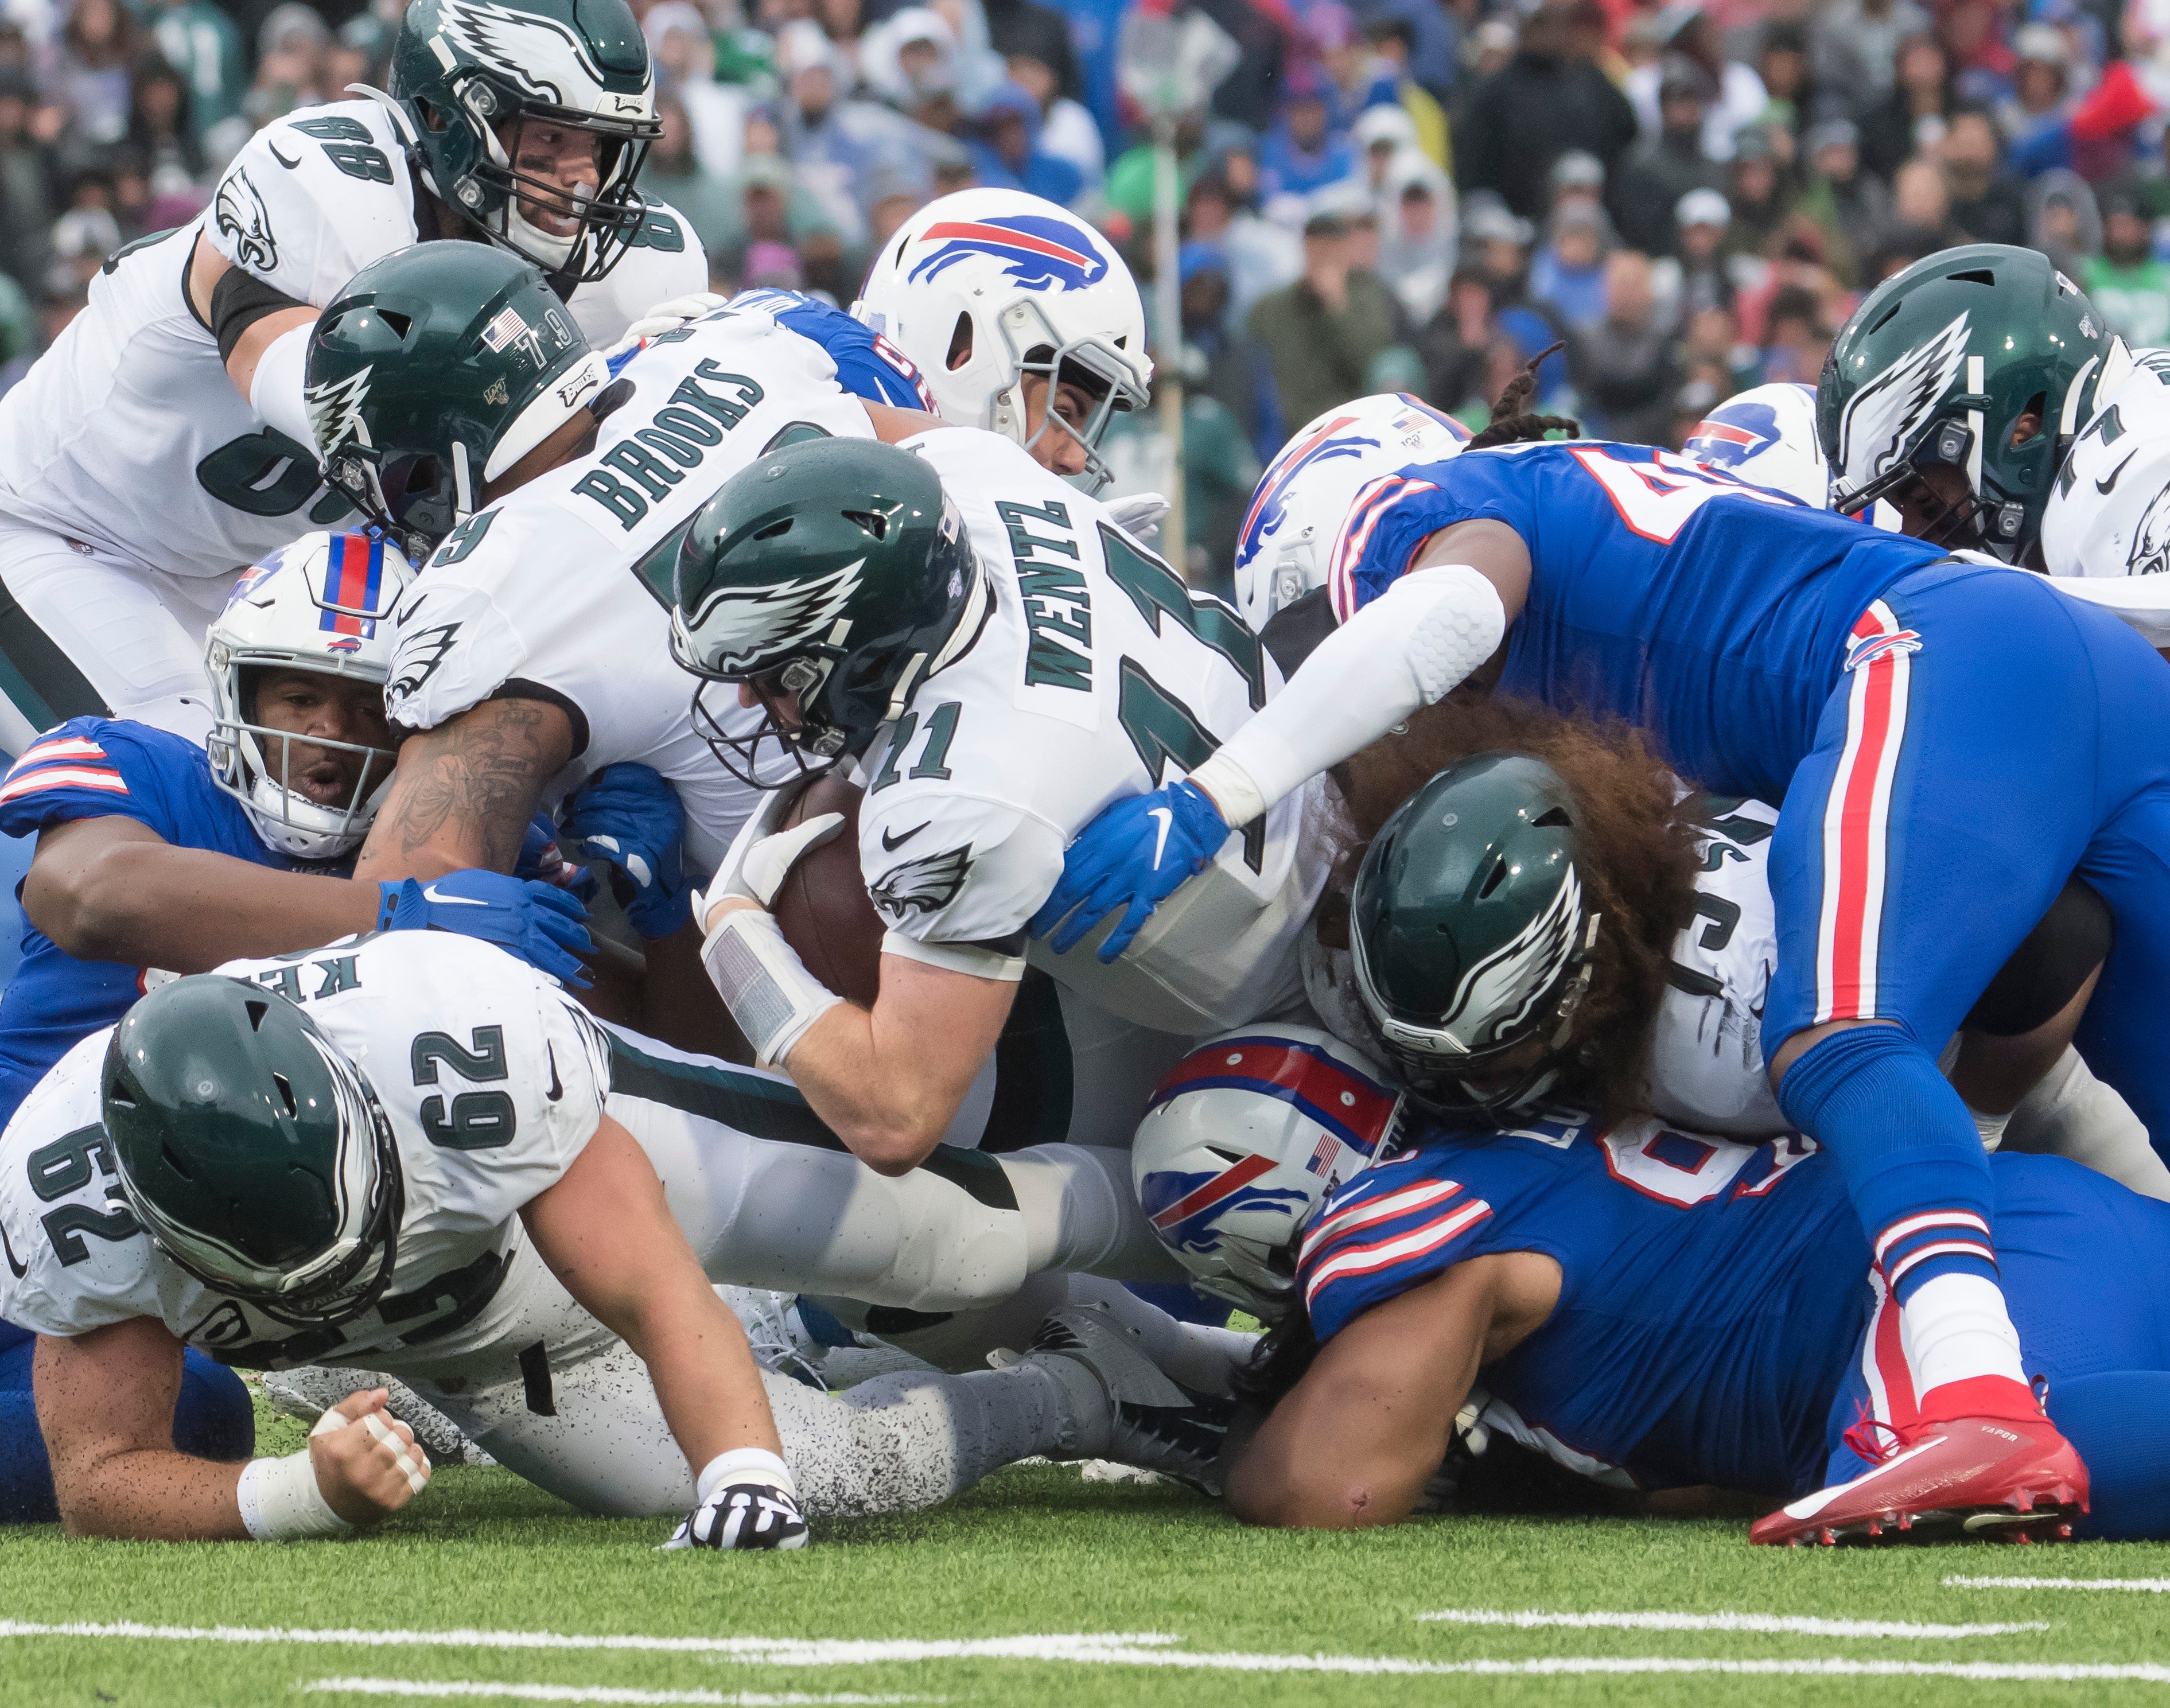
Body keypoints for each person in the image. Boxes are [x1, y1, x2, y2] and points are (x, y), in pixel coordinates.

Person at [1034, 335, 2170, 1542]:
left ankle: (1968, 1387)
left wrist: (1222, 791)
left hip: (1929, 670)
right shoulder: (1616, 752)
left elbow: (1448, 608)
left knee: (1837, 1034)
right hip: (2044, 1103)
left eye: (1317, 643)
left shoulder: (1436, 527)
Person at [0, 932, 1216, 1543]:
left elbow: (647, 1283)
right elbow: (97, 1471)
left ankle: (1242, 1228)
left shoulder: (460, 1060)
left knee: (957, 1242)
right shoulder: (74, 1207)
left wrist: (735, 1465)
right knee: (844, 1475)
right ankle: (1082, 1397)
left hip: (584, 1174)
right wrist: (300, 1492)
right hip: (480, 1352)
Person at [0, 0, 703, 752]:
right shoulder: (329, 190)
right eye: (551, 140)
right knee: (192, 778)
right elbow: (349, 415)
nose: (581, 181)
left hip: (258, 576)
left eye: (600, 147)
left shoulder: (631, 275)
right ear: (446, 118)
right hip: (64, 536)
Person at [671, 426, 1328, 1185]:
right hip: (1308, 787)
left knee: (1198, 1186)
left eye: (777, 673)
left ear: (869, 655)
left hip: (1302, 1019)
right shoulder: (961, 468)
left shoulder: (963, 794)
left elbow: (893, 1118)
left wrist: (731, 931)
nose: (749, 697)